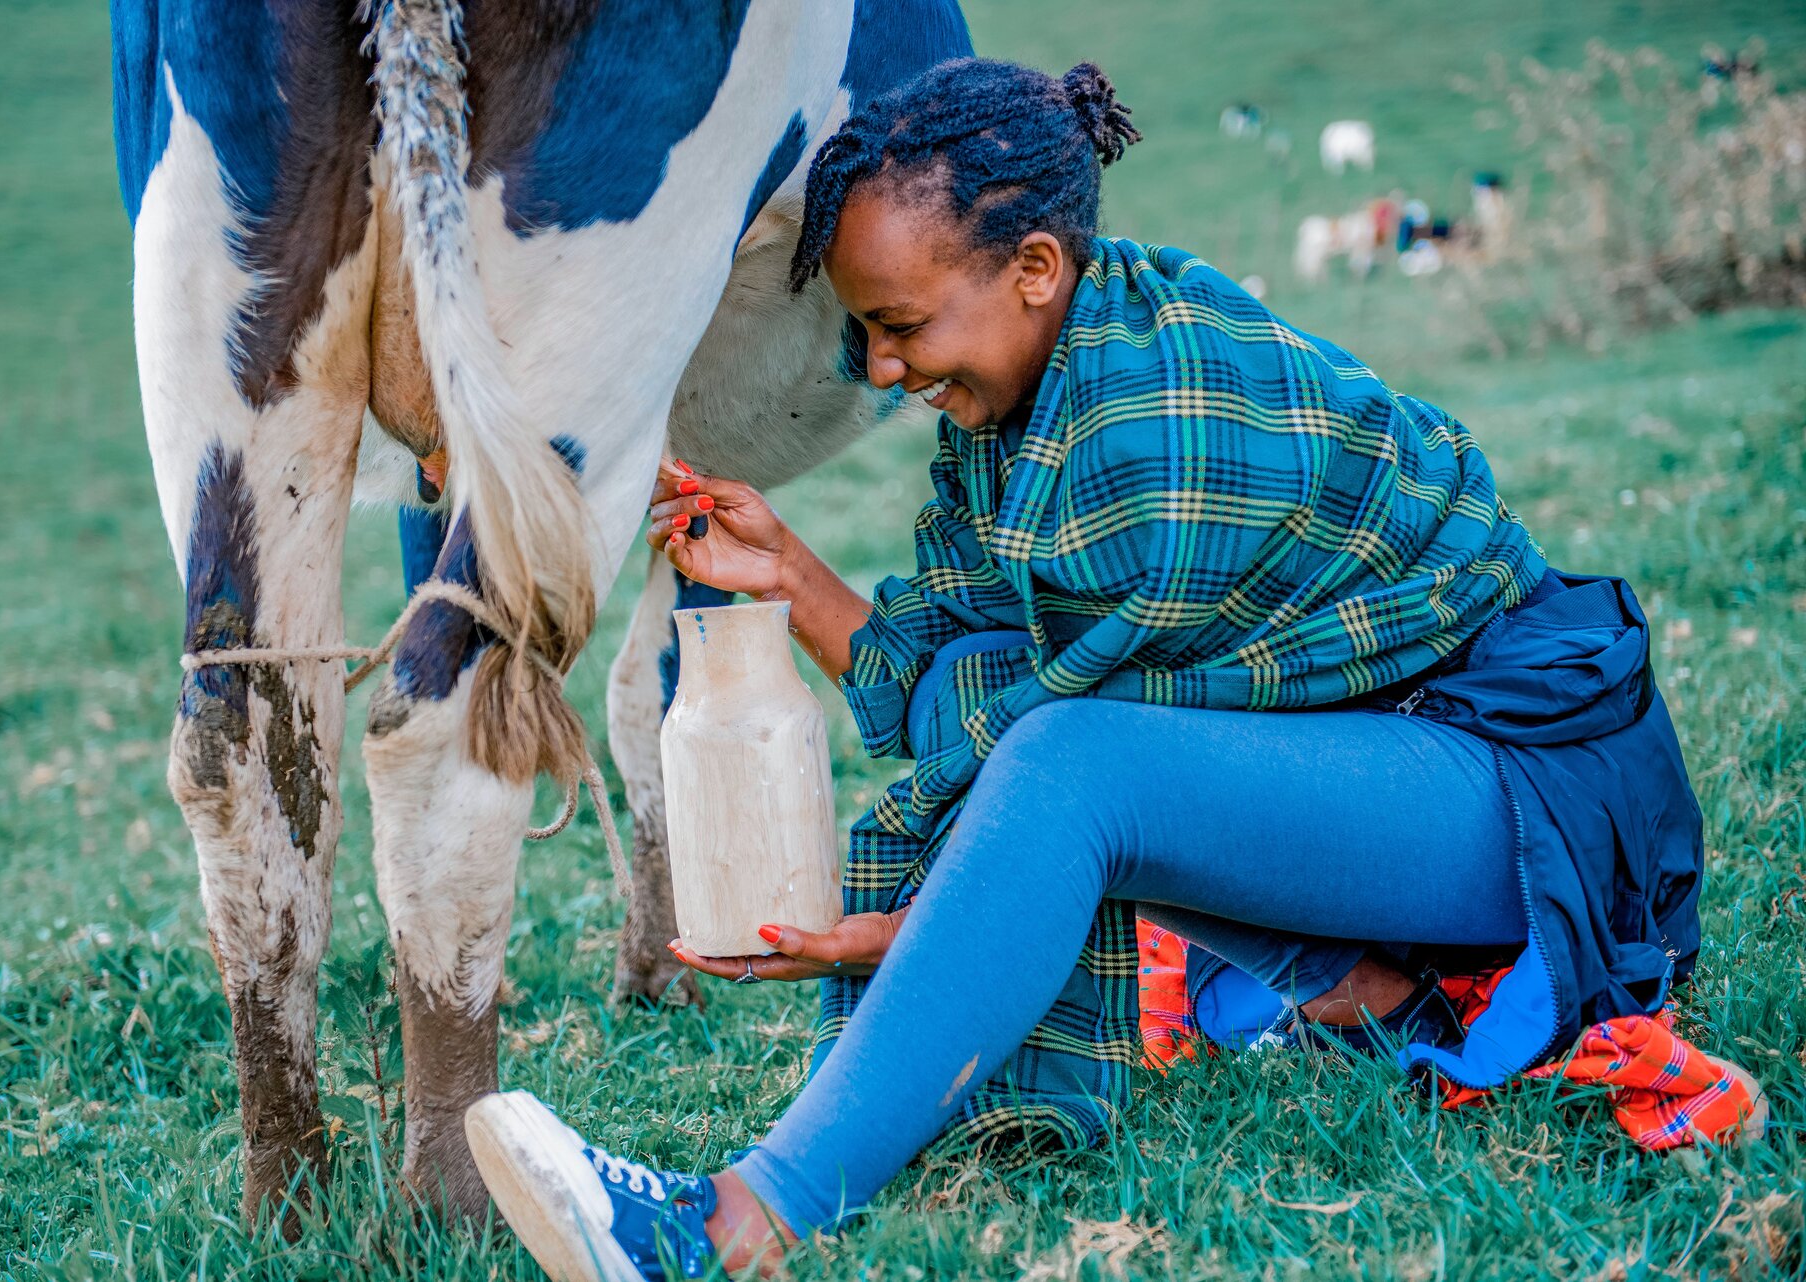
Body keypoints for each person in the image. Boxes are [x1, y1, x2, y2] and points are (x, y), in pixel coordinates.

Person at [462, 58, 1725, 1281]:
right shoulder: (1030, 409)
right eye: (868, 339)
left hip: (1534, 791)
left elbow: (1050, 773)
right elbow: (959, 672)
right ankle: (1380, 996)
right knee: (1070, 761)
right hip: (1407, 769)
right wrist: (792, 574)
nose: (888, 372)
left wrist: (904, 936)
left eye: (900, 327)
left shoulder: (1139, 436)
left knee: (1075, 764)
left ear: (1033, 270)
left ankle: (729, 1229)